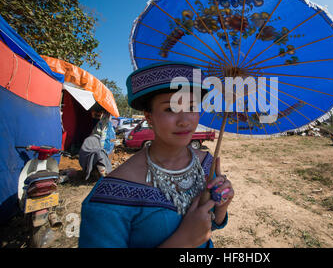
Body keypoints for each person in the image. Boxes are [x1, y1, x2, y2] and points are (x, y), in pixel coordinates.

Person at [78, 62, 234, 248]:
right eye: (170, 109)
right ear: (148, 116)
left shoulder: (207, 164)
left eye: (192, 107)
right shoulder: (109, 197)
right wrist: (184, 241)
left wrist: (221, 206)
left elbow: (211, 223)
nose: (185, 121)